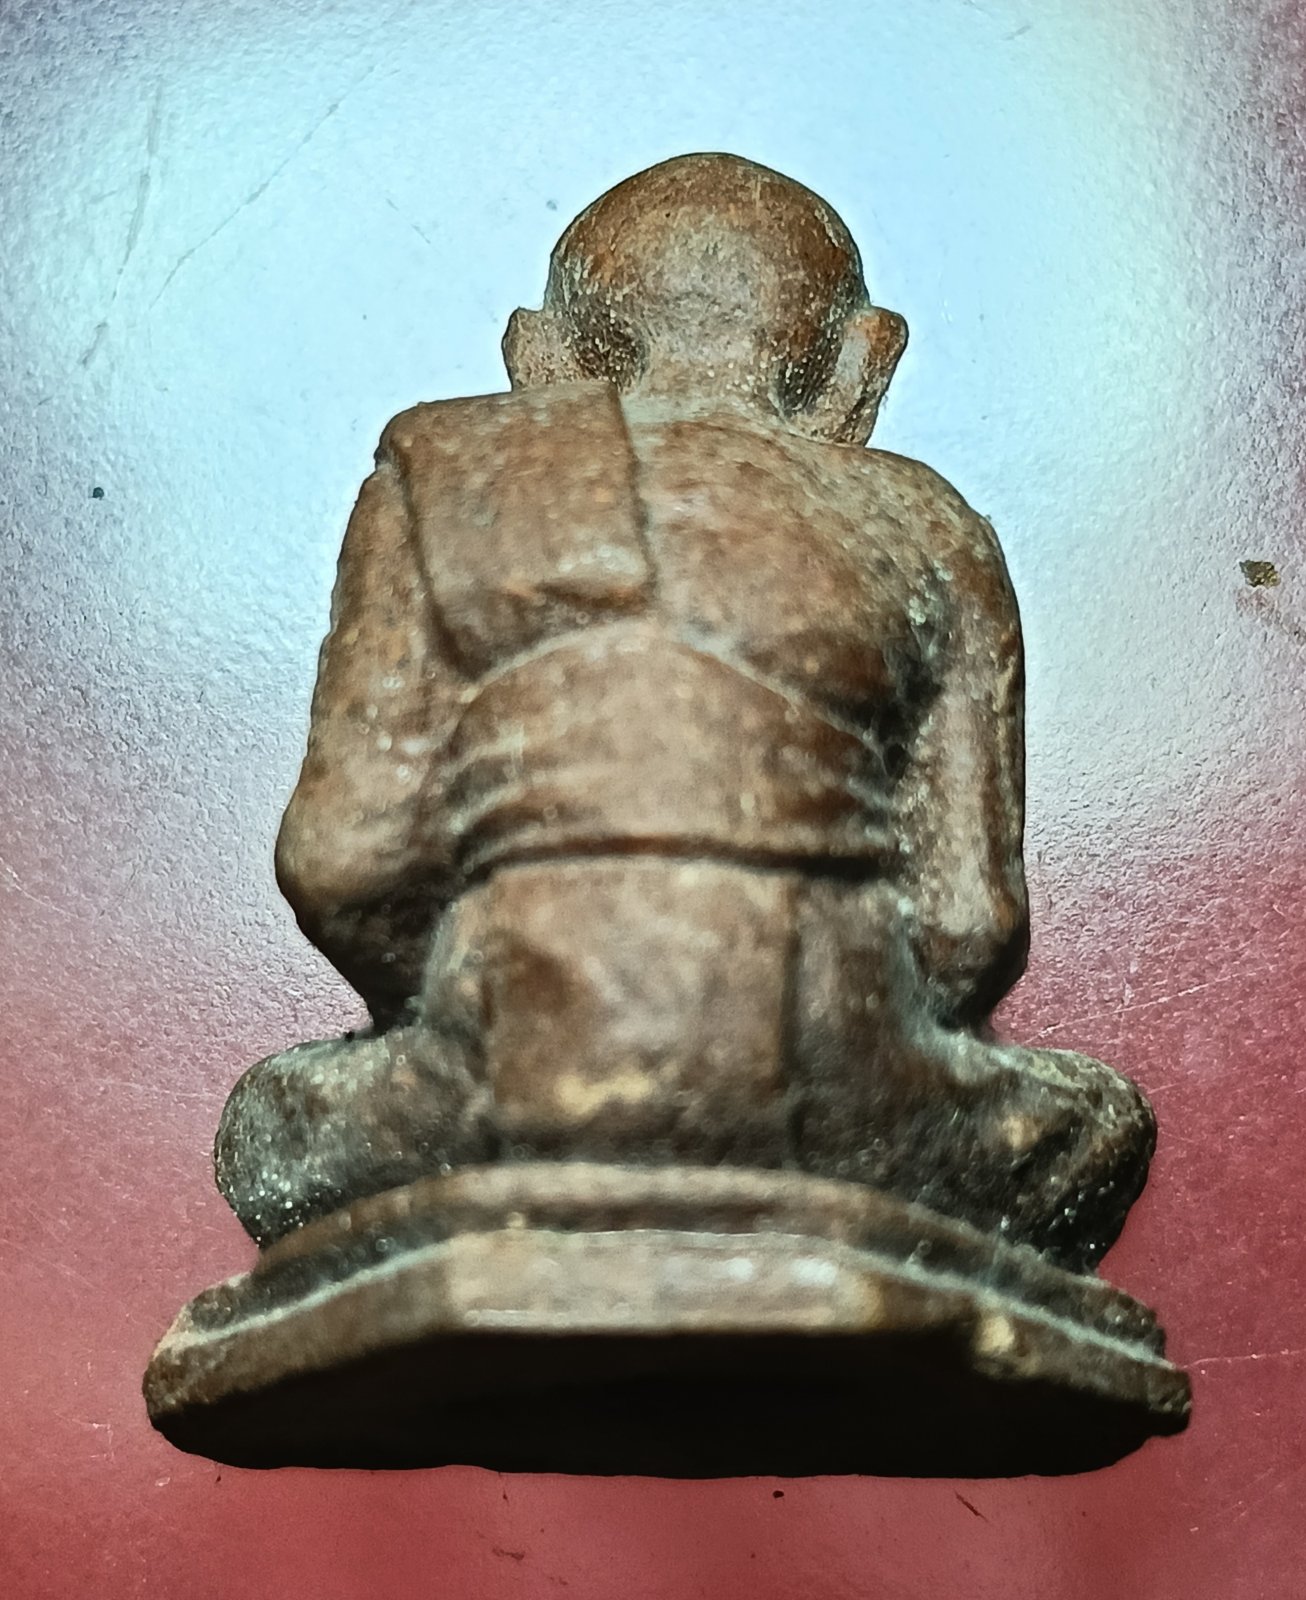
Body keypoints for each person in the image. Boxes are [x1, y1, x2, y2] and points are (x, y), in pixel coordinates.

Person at [217, 154, 1153, 1272]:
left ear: (538, 360)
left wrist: (501, 992)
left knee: (273, 1128)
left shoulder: (442, 475)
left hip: (505, 1069)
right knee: (1091, 1123)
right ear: (863, 365)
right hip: (842, 1077)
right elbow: (967, 923)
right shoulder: (929, 521)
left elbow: (343, 860)